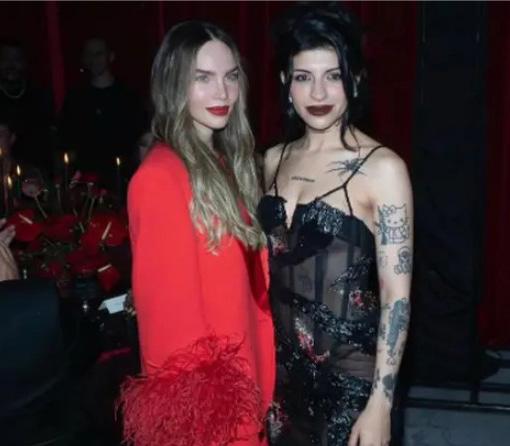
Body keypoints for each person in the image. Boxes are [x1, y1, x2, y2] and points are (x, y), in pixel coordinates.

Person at [257, 6, 413, 446]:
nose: (318, 92)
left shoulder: (382, 169)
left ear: (355, 80)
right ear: (285, 83)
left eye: (333, 76)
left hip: (351, 382)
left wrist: (381, 404)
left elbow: (397, 298)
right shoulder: (272, 160)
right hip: (284, 379)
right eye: (303, 77)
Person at [119, 21, 275, 446]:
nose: (222, 93)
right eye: (202, 78)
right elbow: (170, 332)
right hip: (212, 416)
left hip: (247, 381)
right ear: (174, 84)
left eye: (231, 76)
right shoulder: (160, 177)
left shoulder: (223, 165)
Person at [58, 38, 146, 183]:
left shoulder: (128, 95)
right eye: (89, 54)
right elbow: (66, 139)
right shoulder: (76, 97)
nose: (93, 59)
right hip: (87, 179)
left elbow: (139, 138)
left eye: (98, 54)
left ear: (110, 56)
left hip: (123, 176)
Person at [0, 42, 54, 173]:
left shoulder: (39, 96)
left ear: (25, 63)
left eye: (16, 59)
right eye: (5, 59)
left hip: (36, 172)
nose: (11, 65)